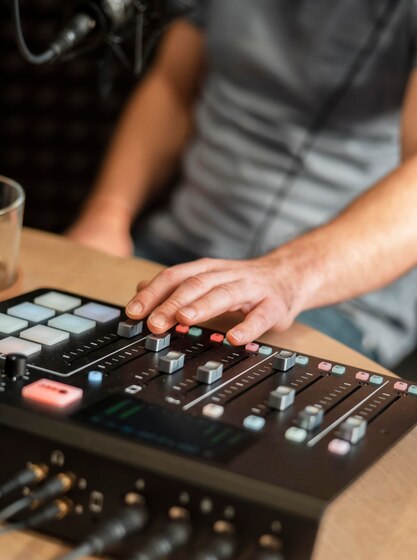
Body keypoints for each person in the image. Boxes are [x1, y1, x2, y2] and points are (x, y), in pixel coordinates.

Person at [67, 0, 417, 368]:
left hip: (331, 297)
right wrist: (108, 214)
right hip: (175, 250)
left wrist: (287, 276)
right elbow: (172, 86)